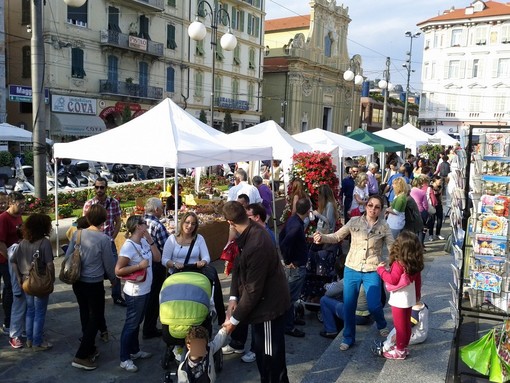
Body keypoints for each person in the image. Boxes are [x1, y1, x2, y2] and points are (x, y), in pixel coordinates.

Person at [313, 195, 394, 351]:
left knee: (374, 305)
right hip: (352, 268)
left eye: (377, 207)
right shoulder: (354, 221)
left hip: (372, 268)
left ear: (381, 209)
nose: (372, 209)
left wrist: (391, 264)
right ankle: (348, 337)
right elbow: (337, 236)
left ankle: (381, 323)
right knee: (349, 305)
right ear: (366, 206)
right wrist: (322, 238)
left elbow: (392, 247)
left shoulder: (384, 226)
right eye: (370, 205)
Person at [222, 201, 290, 382]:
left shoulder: (256, 243)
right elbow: (237, 266)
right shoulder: (246, 233)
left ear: (230, 223)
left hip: (268, 308)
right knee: (263, 356)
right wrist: (233, 298)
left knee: (270, 361)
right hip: (261, 306)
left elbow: (253, 290)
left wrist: (234, 321)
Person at [67, 205, 116, 370]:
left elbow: (67, 257)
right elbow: (109, 265)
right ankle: (81, 355)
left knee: (84, 313)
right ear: (104, 220)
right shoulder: (104, 239)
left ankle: (90, 347)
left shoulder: (77, 234)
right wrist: (114, 280)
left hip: (78, 281)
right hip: (93, 283)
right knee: (96, 316)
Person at [162, 212, 225, 326]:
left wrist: (203, 262)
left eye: (193, 224)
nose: (189, 226)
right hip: (177, 278)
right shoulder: (172, 239)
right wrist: (174, 263)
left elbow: (206, 257)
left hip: (195, 277)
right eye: (187, 222)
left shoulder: (199, 239)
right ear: (182, 223)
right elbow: (164, 259)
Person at [116, 215, 161, 372]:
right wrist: (138, 266)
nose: (146, 224)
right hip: (135, 292)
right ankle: (124, 358)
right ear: (137, 227)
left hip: (146, 288)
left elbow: (157, 258)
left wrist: (150, 240)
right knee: (131, 323)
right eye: (143, 223)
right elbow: (118, 270)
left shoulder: (143, 241)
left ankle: (134, 351)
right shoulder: (128, 246)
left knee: (137, 322)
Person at [376, 230, 424, 359]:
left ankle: (400, 350)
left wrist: (380, 271)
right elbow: (418, 282)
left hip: (399, 300)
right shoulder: (414, 263)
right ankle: (404, 346)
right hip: (410, 298)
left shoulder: (399, 264)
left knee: (399, 327)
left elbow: (392, 280)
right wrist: (417, 295)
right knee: (406, 325)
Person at [11, 213, 55, 351]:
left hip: (25, 281)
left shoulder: (23, 242)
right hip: (40, 281)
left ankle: (29, 339)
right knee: (40, 312)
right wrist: (51, 279)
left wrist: (18, 277)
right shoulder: (44, 242)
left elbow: (13, 261)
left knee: (30, 311)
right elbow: (50, 265)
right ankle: (37, 342)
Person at [83, 177, 125, 306]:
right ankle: (98, 295)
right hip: (93, 242)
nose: (99, 190)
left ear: (106, 188)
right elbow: (84, 223)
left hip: (108, 240)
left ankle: (117, 295)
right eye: (97, 187)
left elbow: (118, 221)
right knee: (95, 269)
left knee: (115, 269)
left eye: (102, 187)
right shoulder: (89, 204)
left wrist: (113, 236)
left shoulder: (113, 203)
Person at [279, 198, 311, 338]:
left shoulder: (293, 220)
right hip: (296, 267)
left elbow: (281, 236)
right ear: (308, 210)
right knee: (290, 297)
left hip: (295, 265)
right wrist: (288, 260)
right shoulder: (296, 225)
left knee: (291, 296)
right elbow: (285, 242)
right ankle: (288, 326)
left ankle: (290, 320)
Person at [142, 197, 169, 339]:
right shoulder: (158, 225)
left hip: (143, 263)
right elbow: (166, 247)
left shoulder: (141, 221)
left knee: (148, 296)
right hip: (156, 264)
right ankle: (149, 327)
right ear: (157, 209)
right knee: (155, 296)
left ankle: (147, 326)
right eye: (162, 207)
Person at [0, 191, 25, 335]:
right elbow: (1, 242)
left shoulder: (19, 216)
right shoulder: (3, 218)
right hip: (4, 261)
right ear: (11, 203)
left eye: (24, 204)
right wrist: (10, 258)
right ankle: (8, 322)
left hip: (15, 259)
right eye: (19, 204)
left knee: (13, 289)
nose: (22, 207)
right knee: (9, 289)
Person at [410, 177, 429, 244]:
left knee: (413, 230)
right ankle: (420, 245)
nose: (422, 185)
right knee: (421, 230)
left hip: (411, 212)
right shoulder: (422, 192)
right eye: (421, 184)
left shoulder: (409, 191)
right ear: (418, 184)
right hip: (420, 211)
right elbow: (425, 205)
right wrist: (426, 211)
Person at [430, 176, 445, 240]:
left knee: (439, 220)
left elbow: (440, 195)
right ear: (435, 180)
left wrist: (441, 203)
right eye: (439, 181)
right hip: (432, 205)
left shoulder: (440, 187)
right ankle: (430, 235)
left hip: (439, 205)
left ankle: (438, 233)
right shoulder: (430, 187)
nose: (440, 182)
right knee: (432, 220)